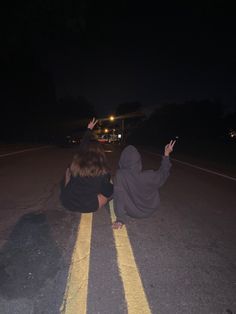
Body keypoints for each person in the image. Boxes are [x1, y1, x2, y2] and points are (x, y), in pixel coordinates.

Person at [112, 140, 175, 229]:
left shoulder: (120, 175)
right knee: (155, 181)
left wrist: (120, 219)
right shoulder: (148, 175)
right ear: (138, 160)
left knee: (117, 191)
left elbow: (119, 198)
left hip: (132, 212)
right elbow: (163, 173)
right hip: (149, 211)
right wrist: (166, 154)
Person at [60, 118, 113, 213]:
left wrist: (88, 130)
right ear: (100, 153)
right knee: (104, 195)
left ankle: (67, 191)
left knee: (69, 170)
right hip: (88, 206)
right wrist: (111, 184)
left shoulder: (76, 163)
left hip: (67, 202)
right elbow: (107, 192)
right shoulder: (102, 170)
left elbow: (82, 147)